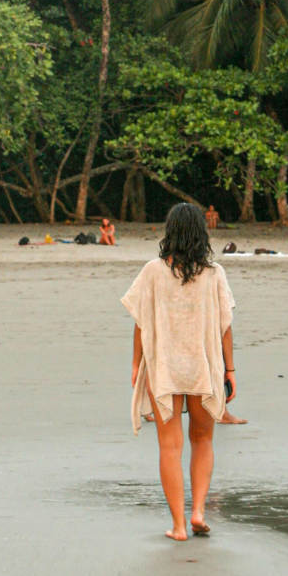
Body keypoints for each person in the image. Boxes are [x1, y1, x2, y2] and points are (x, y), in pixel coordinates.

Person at [122, 202, 237, 540]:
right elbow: (226, 326)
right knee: (202, 440)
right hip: (203, 367)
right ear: (202, 233)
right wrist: (230, 370)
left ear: (169, 232)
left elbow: (141, 323)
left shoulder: (153, 271)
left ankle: (178, 525)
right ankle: (199, 510)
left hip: (165, 369)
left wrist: (134, 364)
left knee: (169, 447)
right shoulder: (214, 273)